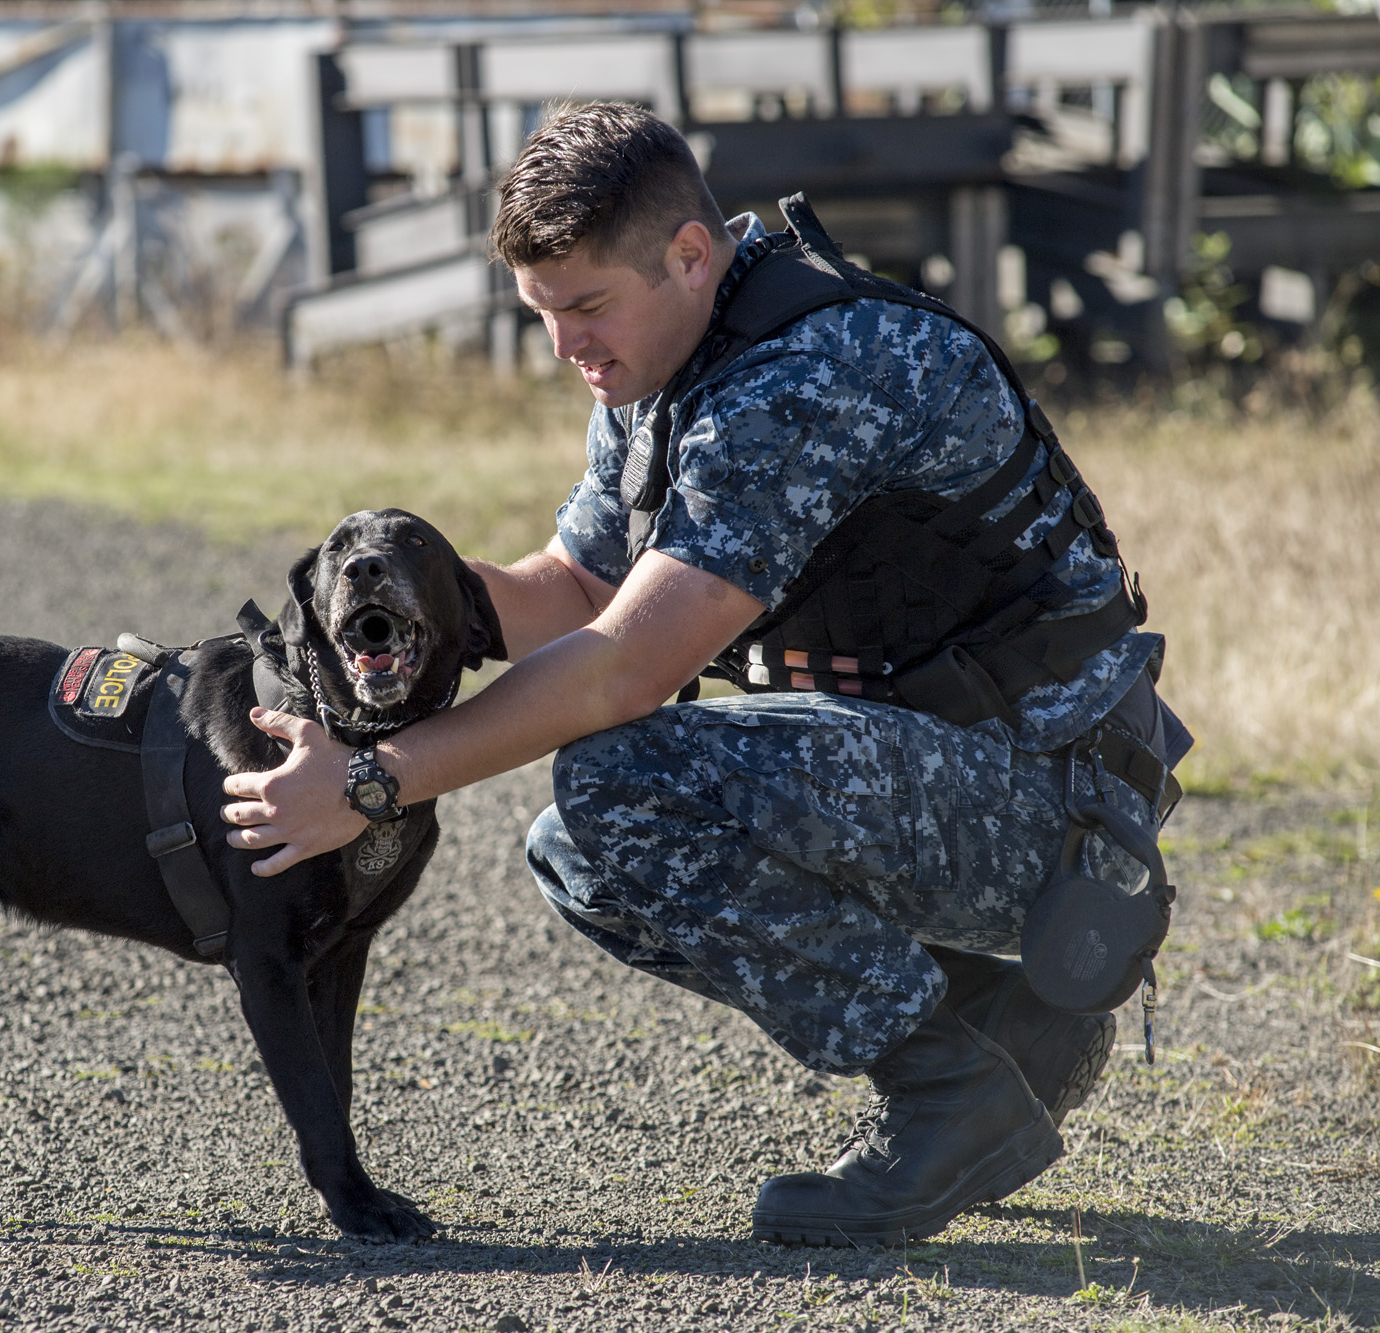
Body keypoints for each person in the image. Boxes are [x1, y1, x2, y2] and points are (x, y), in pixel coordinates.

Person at [219, 102, 1189, 1246]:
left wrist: (374, 783)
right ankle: (1002, 1029)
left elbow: (623, 667)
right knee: (575, 849)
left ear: (689, 254)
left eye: (585, 307)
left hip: (1054, 813)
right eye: (541, 315)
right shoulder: (662, 362)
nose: (566, 346)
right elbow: (580, 593)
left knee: (621, 781)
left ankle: (949, 1094)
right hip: (948, 783)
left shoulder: (809, 372)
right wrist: (399, 587)